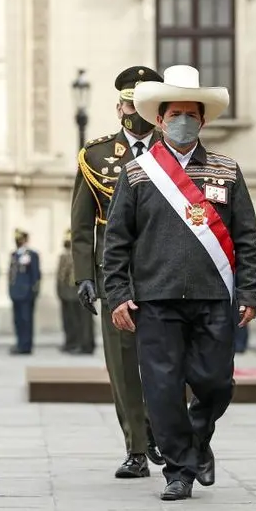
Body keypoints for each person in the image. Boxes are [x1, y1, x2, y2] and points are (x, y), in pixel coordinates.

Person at [104, 65, 256, 501]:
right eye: (175, 114)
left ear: (203, 120)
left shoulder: (227, 171)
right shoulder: (138, 173)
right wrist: (117, 294)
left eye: (191, 114)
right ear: (159, 118)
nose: (183, 121)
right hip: (155, 299)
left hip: (214, 297)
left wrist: (249, 291)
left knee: (216, 382)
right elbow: (116, 241)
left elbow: (247, 236)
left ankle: (196, 440)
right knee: (162, 387)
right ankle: (179, 469)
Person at [70, 65, 165, 477]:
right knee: (123, 364)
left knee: (168, 358)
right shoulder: (96, 155)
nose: (135, 111)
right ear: (118, 106)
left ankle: (162, 429)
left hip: (165, 270)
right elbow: (81, 221)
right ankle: (137, 448)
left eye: (143, 104)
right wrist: (84, 274)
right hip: (116, 271)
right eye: (129, 103)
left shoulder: (176, 151)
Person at [57, 229, 93, 354]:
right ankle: (74, 342)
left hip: (80, 291)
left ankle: (85, 344)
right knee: (73, 320)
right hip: (68, 293)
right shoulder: (65, 256)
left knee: (84, 321)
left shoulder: (81, 255)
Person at [8, 229, 41, 355]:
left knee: (26, 319)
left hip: (27, 294)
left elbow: (36, 275)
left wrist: (34, 291)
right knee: (18, 320)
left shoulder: (32, 255)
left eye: (20, 239)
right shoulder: (14, 254)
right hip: (15, 293)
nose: (18, 241)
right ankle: (19, 343)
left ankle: (26, 345)